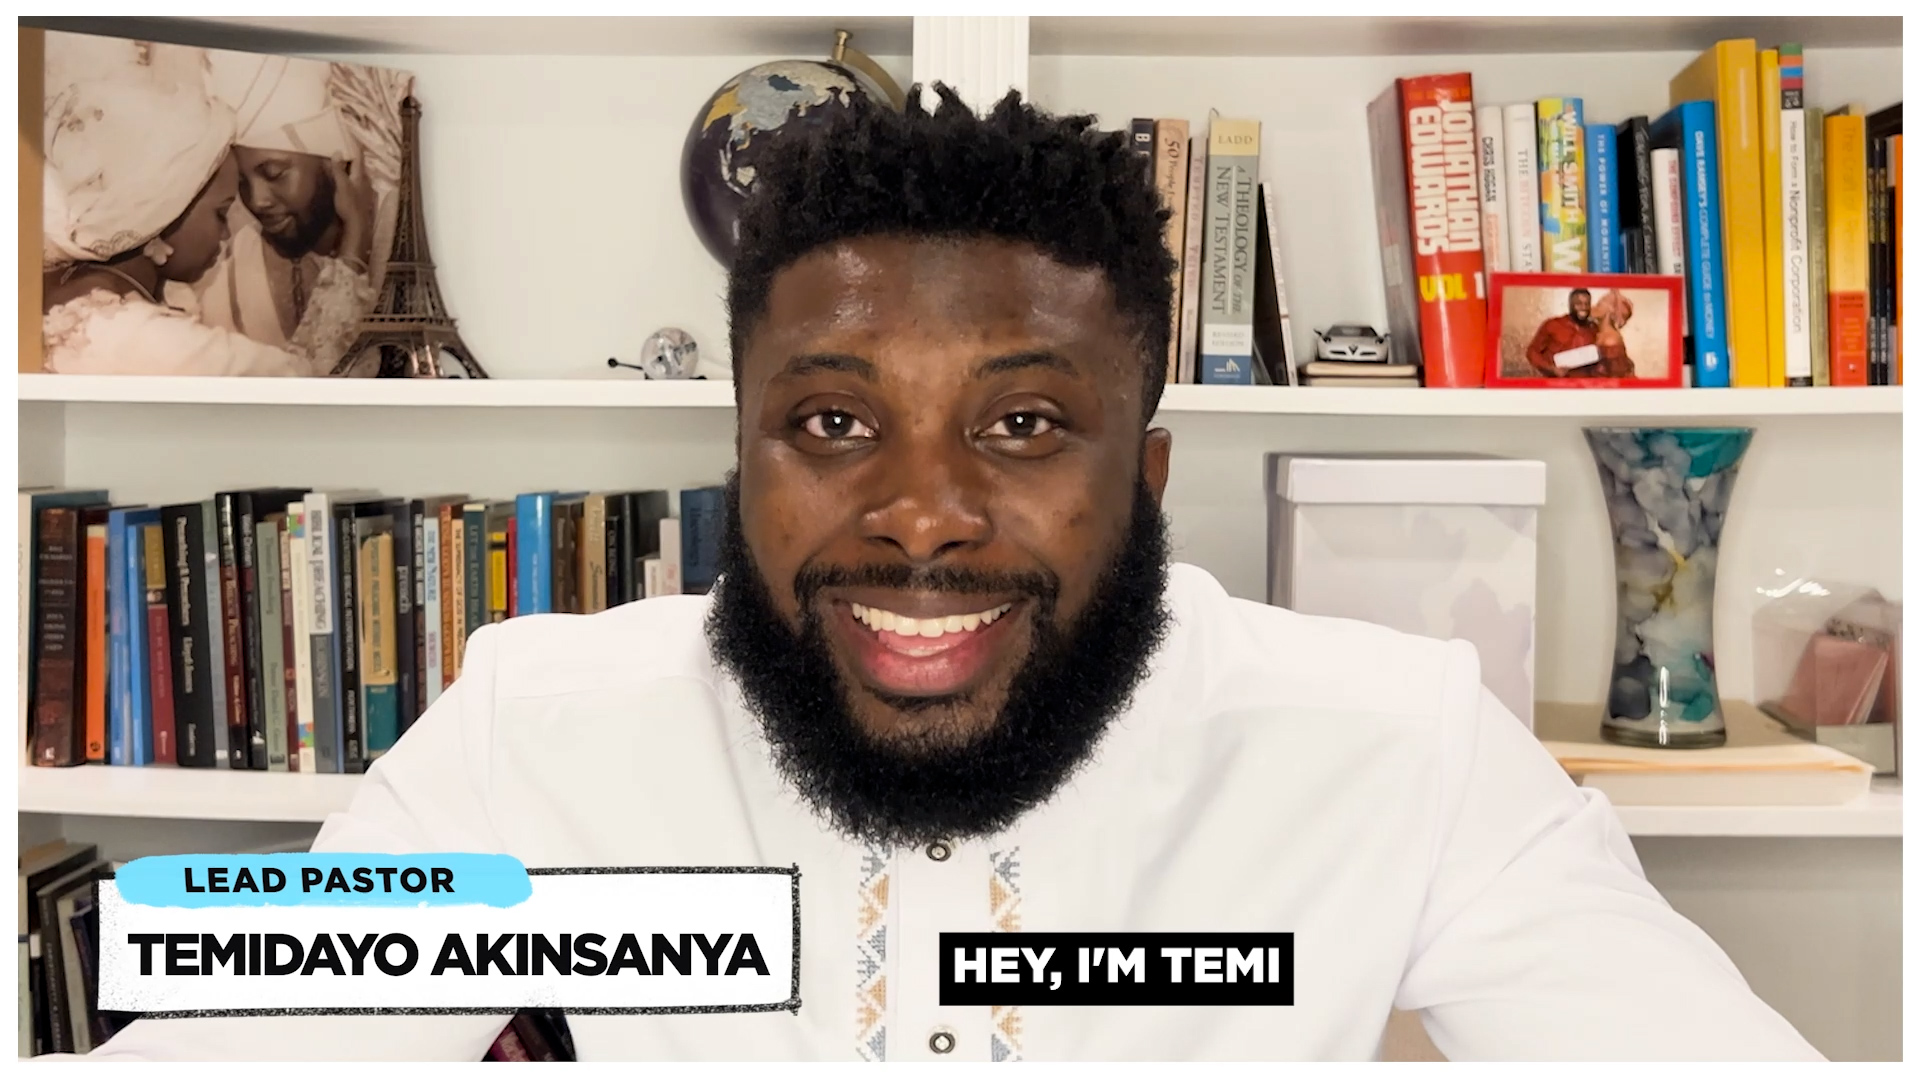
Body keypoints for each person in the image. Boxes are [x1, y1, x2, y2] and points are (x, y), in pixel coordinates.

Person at [88, 89, 1821, 1061]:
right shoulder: (534, 727)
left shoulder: (1393, 741)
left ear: (1144, 475)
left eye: (1020, 428)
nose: (919, 517)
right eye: (834, 421)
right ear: (741, 456)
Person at [41, 77, 309, 377]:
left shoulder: (67, 293)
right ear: (162, 212)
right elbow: (304, 386)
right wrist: (353, 257)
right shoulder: (152, 340)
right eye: (221, 214)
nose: (227, 234)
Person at [195, 53, 384, 375]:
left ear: (335, 165)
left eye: (274, 173)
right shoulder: (226, 269)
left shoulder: (389, 249)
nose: (257, 201)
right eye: (242, 182)